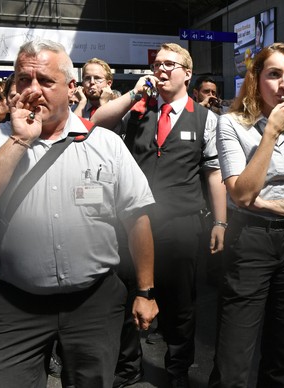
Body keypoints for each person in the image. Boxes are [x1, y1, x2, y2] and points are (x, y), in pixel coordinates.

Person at [0, 39, 158, 387]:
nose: (32, 90)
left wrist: (145, 291)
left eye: (45, 81)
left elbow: (137, 217)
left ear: (70, 89)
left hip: (94, 303)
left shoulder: (105, 143)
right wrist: (19, 140)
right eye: (23, 80)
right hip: (13, 303)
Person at [91, 42, 226, 388]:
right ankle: (128, 369)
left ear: (187, 73)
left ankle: (178, 369)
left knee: (180, 304)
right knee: (125, 296)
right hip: (132, 221)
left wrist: (220, 221)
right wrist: (133, 93)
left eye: (170, 64)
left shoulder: (205, 118)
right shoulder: (138, 108)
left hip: (180, 223)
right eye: (158, 64)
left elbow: (212, 172)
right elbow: (97, 123)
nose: (161, 69)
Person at [208, 42, 284, 388]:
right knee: (234, 356)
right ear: (255, 79)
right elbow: (242, 193)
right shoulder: (231, 124)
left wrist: (268, 204)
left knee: (283, 352)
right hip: (250, 241)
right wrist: (271, 131)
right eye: (274, 75)